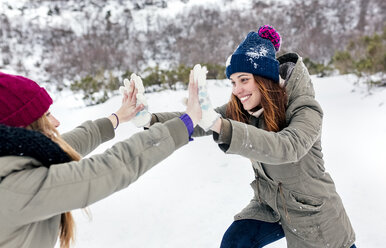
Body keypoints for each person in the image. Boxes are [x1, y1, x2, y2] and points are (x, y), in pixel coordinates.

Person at [146, 25, 356, 247]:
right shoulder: (244, 108)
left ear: (263, 78)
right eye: (233, 82)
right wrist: (150, 120)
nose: (237, 90)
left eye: (244, 80)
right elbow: (199, 119)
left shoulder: (305, 108)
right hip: (271, 205)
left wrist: (221, 126)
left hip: (313, 214)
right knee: (235, 242)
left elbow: (288, 147)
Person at [0, 71, 201, 248]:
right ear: (22, 128)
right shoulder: (14, 188)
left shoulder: (11, 158)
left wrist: (116, 118)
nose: (56, 122)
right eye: (46, 116)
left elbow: (66, 145)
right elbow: (110, 169)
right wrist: (185, 123)